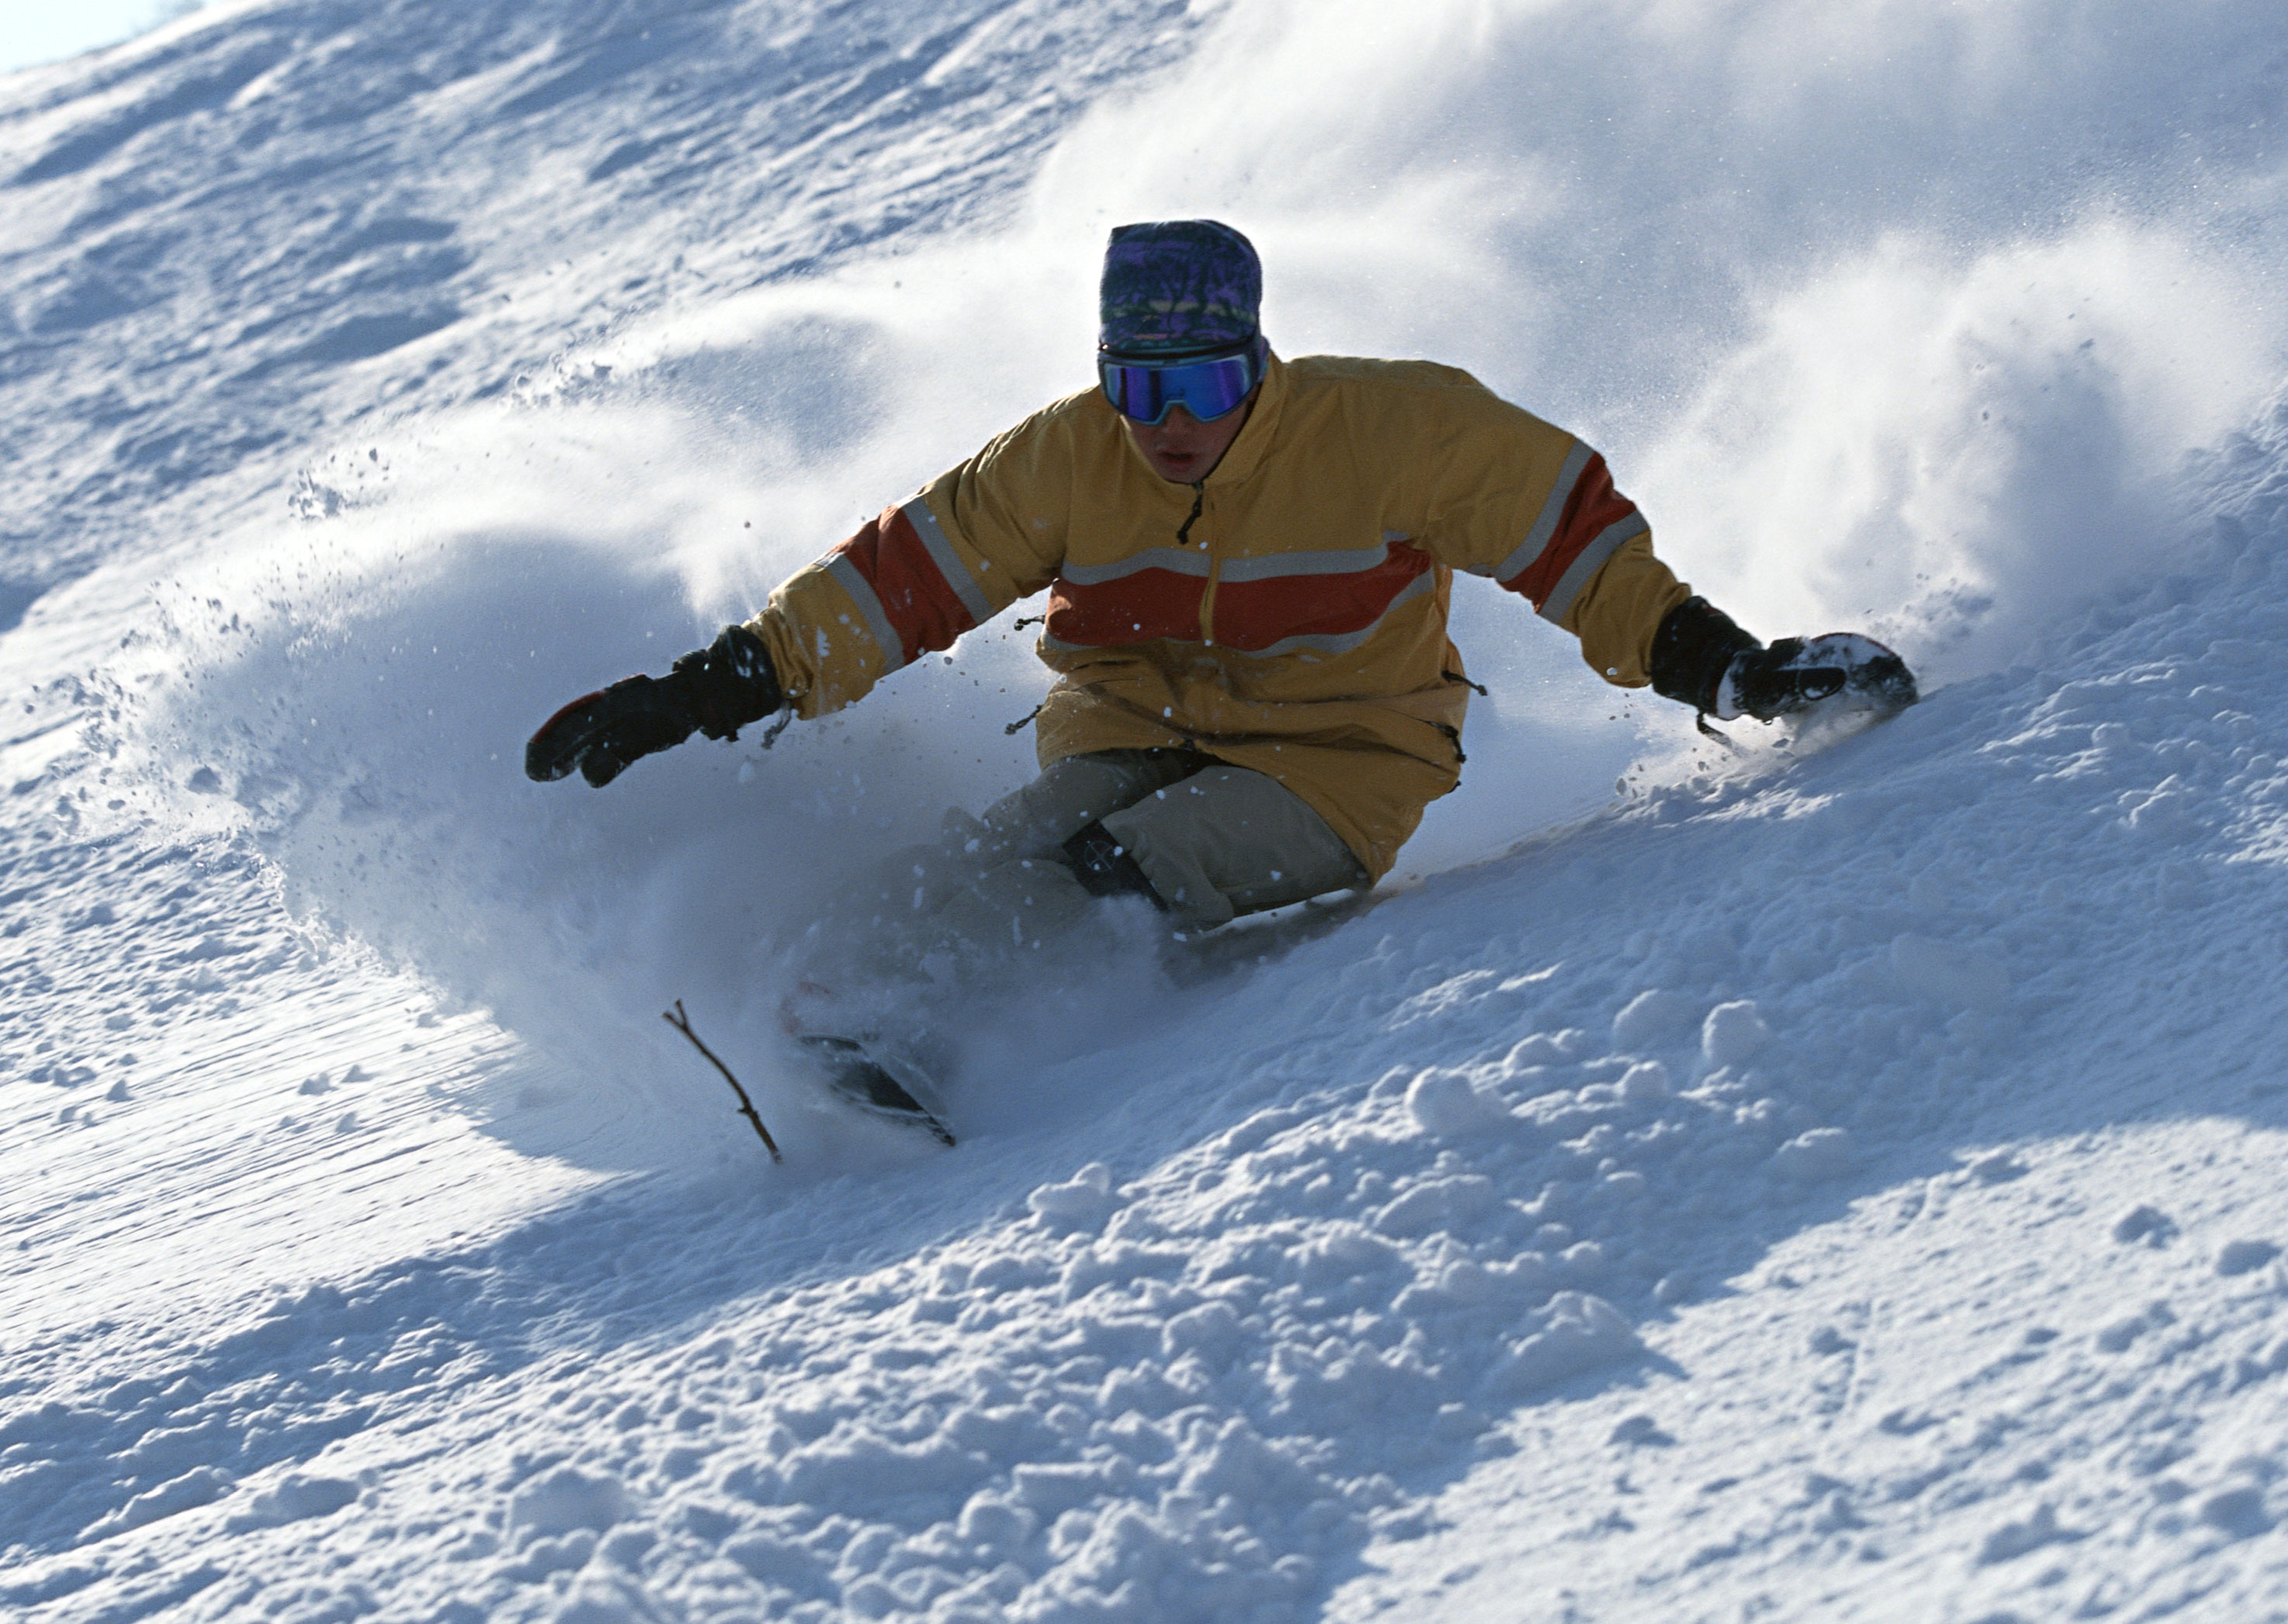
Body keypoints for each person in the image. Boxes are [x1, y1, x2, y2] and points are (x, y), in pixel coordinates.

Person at [528, 219, 1913, 983]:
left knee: (1111, 873)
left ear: (1257, 362)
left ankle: (948, 1027)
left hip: (1339, 762)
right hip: (1125, 724)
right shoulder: (1065, 455)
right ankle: (834, 1006)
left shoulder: (1395, 429)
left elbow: (1577, 548)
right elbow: (898, 583)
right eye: (1137, 387)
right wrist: (704, 688)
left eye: (1194, 388)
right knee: (998, 854)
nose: (1165, 425)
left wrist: (1728, 668)